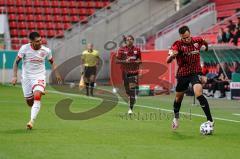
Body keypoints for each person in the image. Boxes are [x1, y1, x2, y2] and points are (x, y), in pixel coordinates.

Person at [167, 26, 214, 130]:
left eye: (188, 37)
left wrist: (206, 47)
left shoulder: (197, 40)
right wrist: (172, 56)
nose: (186, 40)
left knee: (198, 93)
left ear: (190, 34)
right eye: (184, 38)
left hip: (195, 72)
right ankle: (176, 118)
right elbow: (168, 60)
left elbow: (204, 42)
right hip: (183, 73)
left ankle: (210, 120)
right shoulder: (177, 45)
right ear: (180, 37)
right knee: (179, 97)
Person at [11, 31, 62, 130]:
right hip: (26, 78)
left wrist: (57, 73)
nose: (40, 42)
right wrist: (14, 76)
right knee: (30, 102)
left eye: (40, 40)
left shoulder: (46, 50)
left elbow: (52, 62)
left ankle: (31, 121)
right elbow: (16, 62)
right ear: (31, 42)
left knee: (37, 96)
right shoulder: (24, 49)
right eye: (37, 41)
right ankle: (37, 92)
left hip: (39, 77)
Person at [116, 35, 142, 115]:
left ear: (133, 40)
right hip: (125, 72)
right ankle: (131, 96)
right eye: (127, 39)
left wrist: (138, 62)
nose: (129, 40)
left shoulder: (137, 49)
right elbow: (117, 61)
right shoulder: (121, 50)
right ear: (125, 41)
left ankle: (130, 109)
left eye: (131, 39)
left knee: (132, 90)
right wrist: (125, 61)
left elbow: (140, 59)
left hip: (133, 72)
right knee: (127, 90)